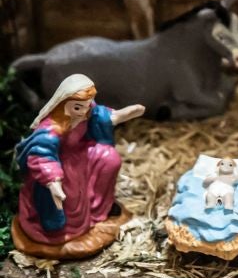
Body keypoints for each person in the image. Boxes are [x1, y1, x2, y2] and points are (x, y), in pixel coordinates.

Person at [13, 72, 143, 257]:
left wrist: (121, 115)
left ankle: (99, 210)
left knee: (109, 158)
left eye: (87, 106)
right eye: (77, 107)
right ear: (63, 103)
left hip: (82, 154)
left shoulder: (87, 111)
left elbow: (101, 116)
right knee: (69, 187)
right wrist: (53, 181)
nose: (83, 111)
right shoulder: (51, 128)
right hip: (58, 165)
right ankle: (60, 228)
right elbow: (41, 154)